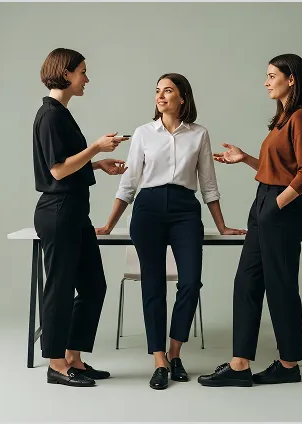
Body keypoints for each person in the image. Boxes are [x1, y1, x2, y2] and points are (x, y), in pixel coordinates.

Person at [96, 73, 245, 390]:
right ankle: (159, 360)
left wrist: (221, 225)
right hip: (148, 209)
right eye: (157, 91)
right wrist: (109, 223)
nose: (160, 96)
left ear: (183, 98)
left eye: (168, 91)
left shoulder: (199, 134)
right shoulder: (143, 134)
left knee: (191, 282)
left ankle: (176, 354)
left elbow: (208, 184)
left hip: (184, 211)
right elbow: (130, 182)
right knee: (153, 285)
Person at [198, 53, 302, 387]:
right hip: (264, 202)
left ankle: (289, 364)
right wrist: (246, 158)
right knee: (247, 282)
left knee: (280, 287)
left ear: (290, 79)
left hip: (282, 209)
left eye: (271, 76)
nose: (266, 82)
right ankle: (240, 365)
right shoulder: (282, 120)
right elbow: (278, 168)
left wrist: (276, 205)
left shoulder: (301, 118)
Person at [33, 48, 129, 387]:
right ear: (66, 73)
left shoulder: (60, 113)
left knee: (93, 286)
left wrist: (97, 164)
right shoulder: (50, 115)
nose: (87, 79)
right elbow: (57, 170)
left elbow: (66, 163)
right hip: (58, 212)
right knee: (59, 288)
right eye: (83, 72)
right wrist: (96, 149)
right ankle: (57, 365)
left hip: (73, 212)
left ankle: (73, 358)